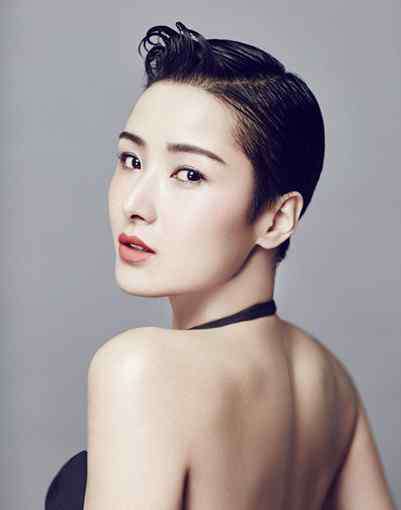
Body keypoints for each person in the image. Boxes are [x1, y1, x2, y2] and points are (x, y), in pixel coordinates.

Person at [45, 21, 396, 510]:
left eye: (189, 174)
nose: (135, 204)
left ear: (277, 218)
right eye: (131, 160)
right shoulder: (330, 382)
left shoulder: (140, 368)